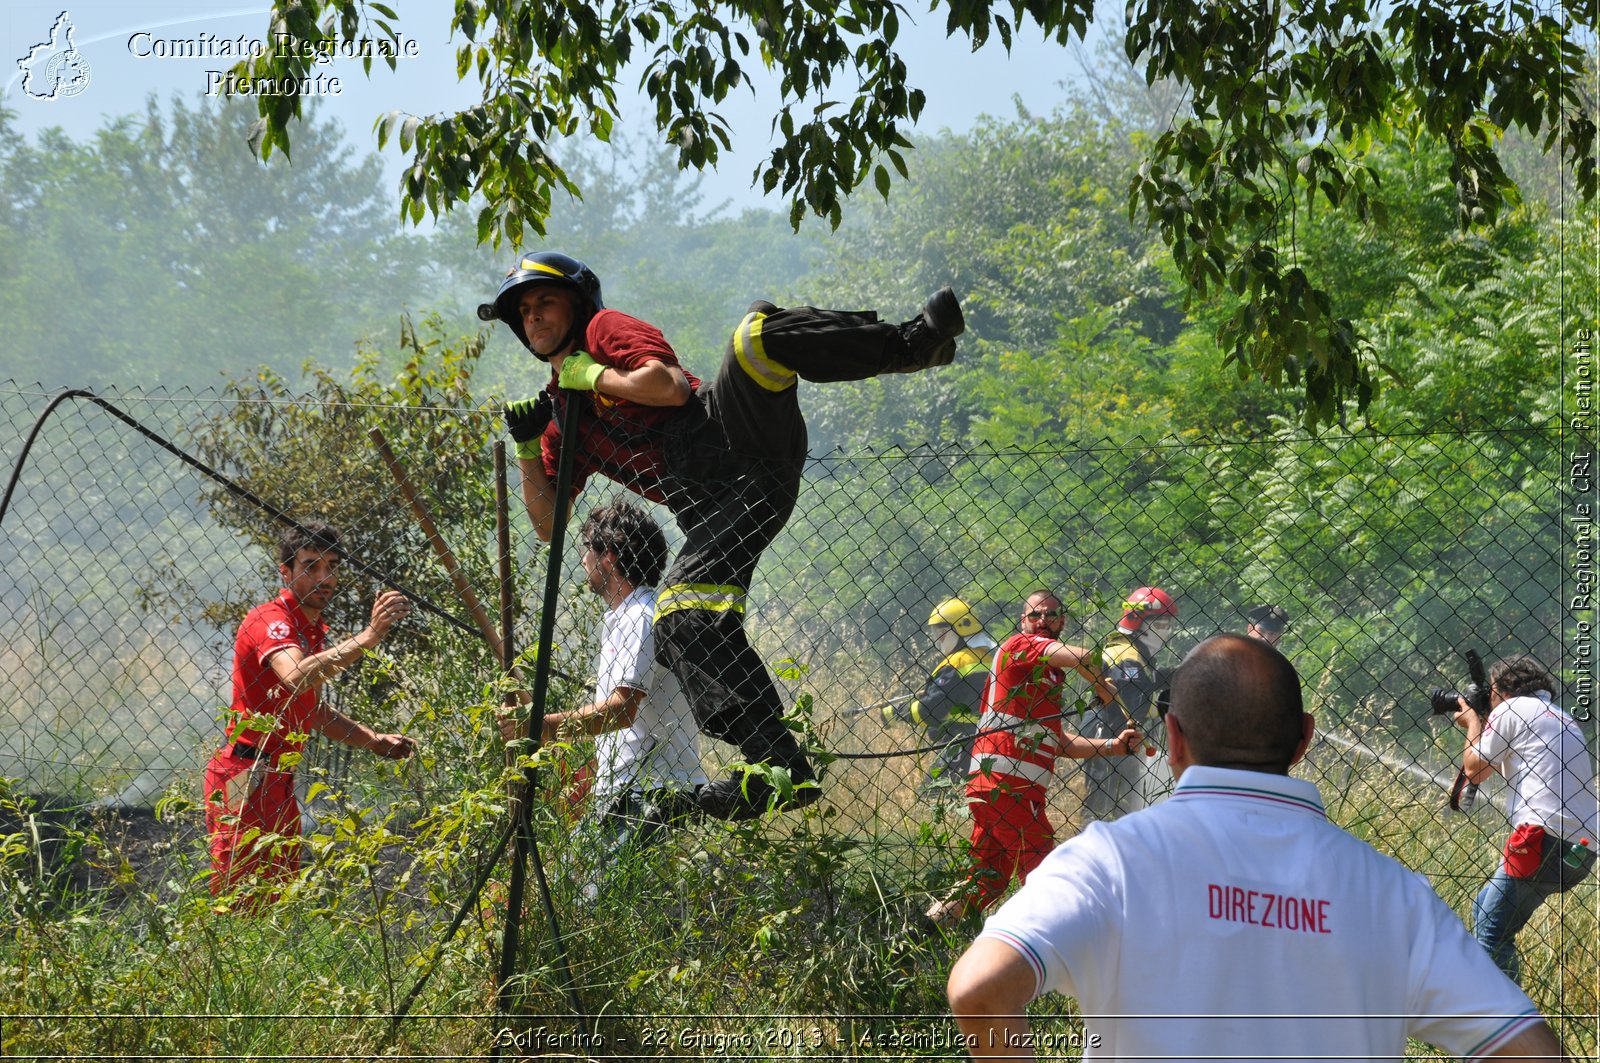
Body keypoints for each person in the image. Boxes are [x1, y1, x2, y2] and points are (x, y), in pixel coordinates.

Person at [485, 251, 963, 820]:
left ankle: (911, 343)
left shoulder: (602, 331)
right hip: (722, 506)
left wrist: (592, 374)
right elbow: (547, 525)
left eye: (545, 302)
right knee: (682, 614)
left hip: (734, 433)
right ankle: (776, 766)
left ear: (577, 303)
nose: (534, 317)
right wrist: (525, 447)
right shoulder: (563, 419)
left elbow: (668, 388)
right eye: (524, 311)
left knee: (755, 337)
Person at [947, 634, 1566, 1062]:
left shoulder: (1109, 859)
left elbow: (980, 990)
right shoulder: (1394, 895)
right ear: (1303, 740)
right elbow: (1528, 1049)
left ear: (1174, 738)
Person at [203, 522, 416, 904]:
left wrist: (373, 740)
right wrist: (369, 637)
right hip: (244, 774)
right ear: (285, 572)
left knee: (278, 896)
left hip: (279, 778)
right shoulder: (272, 621)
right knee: (237, 896)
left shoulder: (309, 629)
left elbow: (312, 710)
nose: (324, 577)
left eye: (332, 566)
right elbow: (297, 678)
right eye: (310, 566)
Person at [506, 500, 708, 897]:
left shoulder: (641, 616)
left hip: (649, 790)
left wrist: (537, 728)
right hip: (629, 787)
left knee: (585, 902)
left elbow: (621, 712)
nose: (582, 560)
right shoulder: (624, 617)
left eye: (588, 550)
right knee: (570, 894)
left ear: (609, 557)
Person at [925, 590, 1135, 929]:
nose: (1043, 622)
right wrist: (1103, 688)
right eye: (1035, 615)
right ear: (1023, 621)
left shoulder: (1048, 676)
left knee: (986, 881)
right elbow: (1085, 657)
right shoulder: (1020, 646)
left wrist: (1114, 746)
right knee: (1044, 875)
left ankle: (919, 934)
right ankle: (1049, 951)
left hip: (999, 790)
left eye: (1051, 615)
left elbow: (1059, 743)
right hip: (1007, 787)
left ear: (1063, 621)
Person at [1454, 653, 1599, 983]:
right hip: (1580, 851)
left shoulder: (1512, 709)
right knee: (1484, 910)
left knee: (1492, 934)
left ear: (1501, 688)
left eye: (1490, 693)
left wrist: (1474, 723)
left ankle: (1509, 1026)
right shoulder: (1560, 716)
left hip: (1541, 840)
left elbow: (1476, 771)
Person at [1081, 585, 1176, 820]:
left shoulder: (1132, 651)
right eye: (1161, 624)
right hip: (1111, 733)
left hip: (1115, 733)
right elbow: (1136, 703)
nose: (1165, 631)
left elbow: (1145, 683)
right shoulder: (1128, 657)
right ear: (1139, 622)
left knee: (1119, 802)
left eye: (1168, 625)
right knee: (1107, 805)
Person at [882, 598, 996, 793]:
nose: (938, 637)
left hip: (960, 739)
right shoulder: (989, 656)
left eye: (942, 631)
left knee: (932, 793)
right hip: (988, 738)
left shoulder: (957, 663)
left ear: (960, 628)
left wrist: (894, 712)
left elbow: (930, 710)